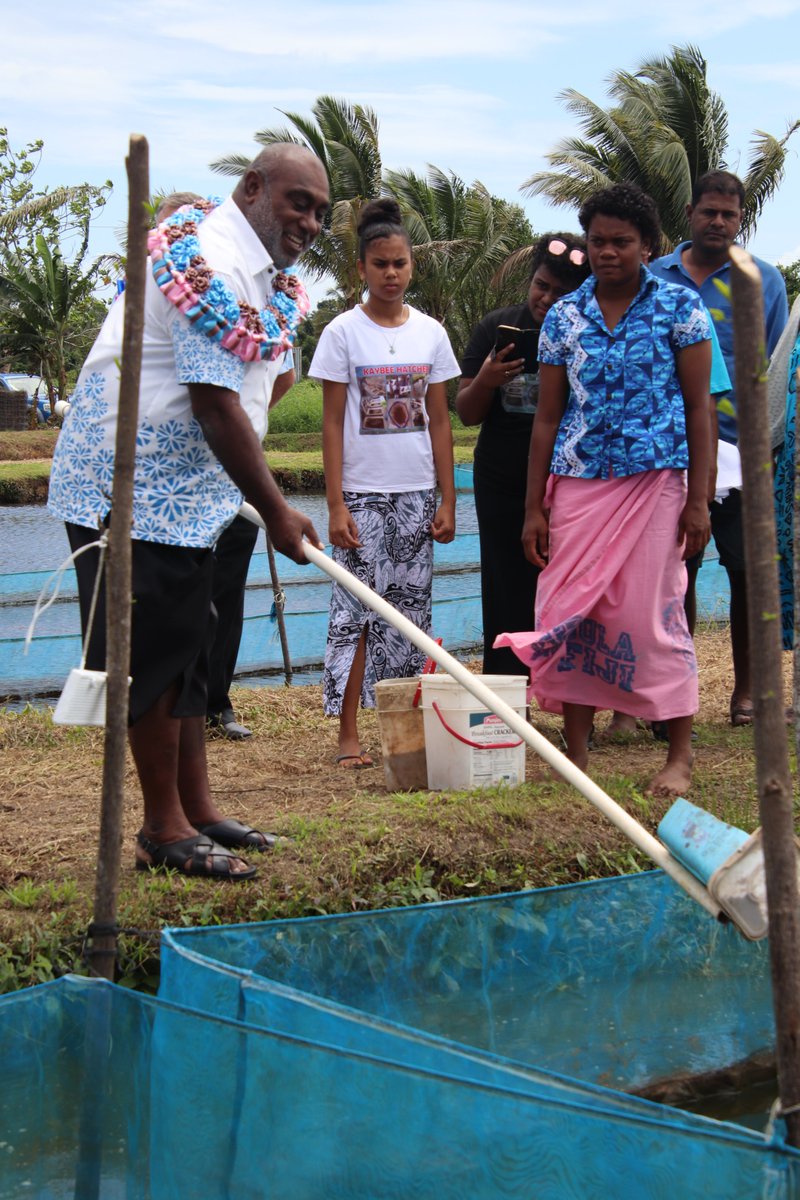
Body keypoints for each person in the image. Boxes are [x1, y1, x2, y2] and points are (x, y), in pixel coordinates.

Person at [47, 145, 330, 880]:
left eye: (320, 212)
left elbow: (254, 384)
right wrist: (277, 510)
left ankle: (198, 809)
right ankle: (162, 829)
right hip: (133, 482)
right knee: (155, 651)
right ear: (253, 187)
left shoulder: (260, 270)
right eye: (298, 203)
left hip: (192, 488)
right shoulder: (211, 259)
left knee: (194, 642)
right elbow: (212, 404)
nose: (310, 222)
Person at [496, 182, 712, 797]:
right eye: (598, 242)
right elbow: (547, 418)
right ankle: (577, 756)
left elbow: (699, 408)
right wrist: (534, 508)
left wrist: (698, 499)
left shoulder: (680, 308)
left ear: (648, 245)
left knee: (654, 615)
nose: (608, 252)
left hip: (655, 483)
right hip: (579, 487)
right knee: (571, 614)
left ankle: (679, 756)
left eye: (622, 241)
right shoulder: (565, 317)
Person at [309, 198, 459, 768]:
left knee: (409, 616)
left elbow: (439, 419)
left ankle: (405, 735)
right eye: (380, 264)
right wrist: (335, 504)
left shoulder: (431, 334)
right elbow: (330, 422)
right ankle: (348, 734)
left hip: (416, 495)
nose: (391, 274)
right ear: (361, 269)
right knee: (355, 612)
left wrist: (447, 498)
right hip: (362, 496)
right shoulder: (342, 333)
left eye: (400, 263)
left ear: (411, 265)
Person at [649, 171, 788, 727]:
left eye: (730, 215)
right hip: (667, 449)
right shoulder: (654, 276)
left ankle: (747, 693)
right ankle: (673, 691)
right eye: (709, 211)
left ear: (741, 219)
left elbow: (773, 365)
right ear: (690, 212)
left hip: (741, 449)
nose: (719, 222)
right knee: (673, 573)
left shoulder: (763, 280)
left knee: (748, 572)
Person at [456, 235, 590, 674]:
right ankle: (506, 691)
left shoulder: (586, 336)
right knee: (503, 584)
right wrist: (487, 378)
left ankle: (558, 685)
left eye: (560, 293)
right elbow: (467, 413)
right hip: (500, 480)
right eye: (541, 286)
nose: (546, 299)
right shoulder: (496, 327)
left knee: (560, 586)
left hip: (564, 483)